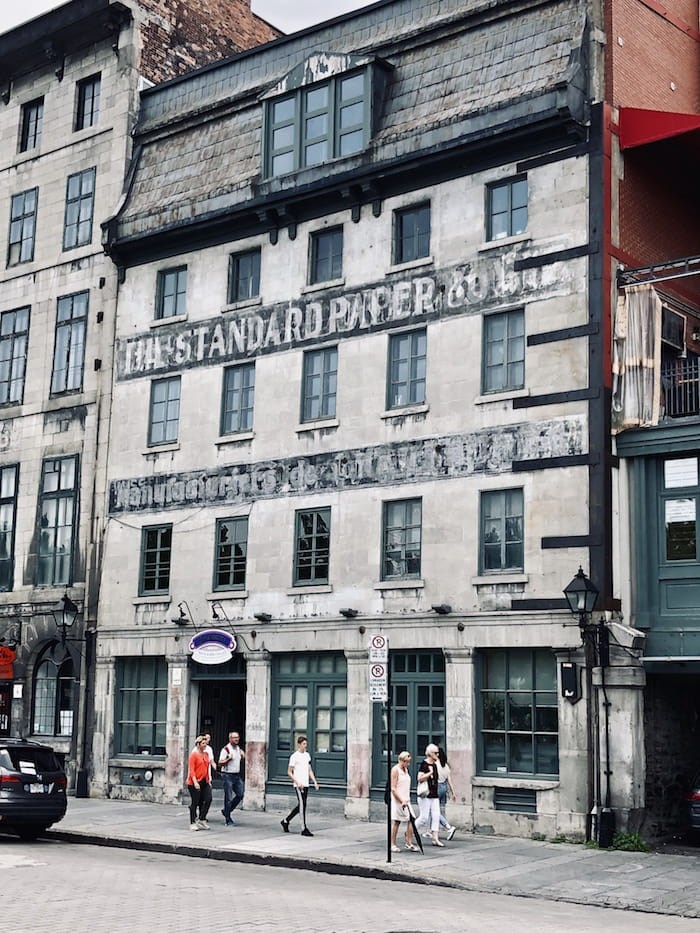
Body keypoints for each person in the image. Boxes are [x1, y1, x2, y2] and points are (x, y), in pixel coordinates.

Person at [280, 735, 319, 836]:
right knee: (302, 805)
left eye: (306, 744)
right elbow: (289, 772)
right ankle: (303, 828)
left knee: (302, 805)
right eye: (303, 744)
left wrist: (314, 781)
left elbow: (309, 769)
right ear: (299, 744)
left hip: (305, 783)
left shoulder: (307, 755)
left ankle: (285, 821)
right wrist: (297, 782)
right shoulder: (294, 756)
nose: (305, 746)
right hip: (299, 785)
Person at [414, 743, 444, 846]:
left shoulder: (435, 765)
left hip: (434, 794)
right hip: (425, 795)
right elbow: (419, 779)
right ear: (430, 754)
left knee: (436, 816)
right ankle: (410, 830)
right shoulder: (424, 764)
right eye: (436, 753)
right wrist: (429, 773)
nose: (438, 755)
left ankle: (435, 838)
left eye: (438, 753)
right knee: (424, 818)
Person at [389, 751, 417, 852]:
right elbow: (393, 788)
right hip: (398, 799)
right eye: (406, 762)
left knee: (411, 819)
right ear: (401, 760)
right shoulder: (395, 770)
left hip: (406, 799)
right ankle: (392, 844)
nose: (408, 764)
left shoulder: (405, 769)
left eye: (409, 762)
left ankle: (409, 842)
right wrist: (401, 800)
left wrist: (405, 800)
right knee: (397, 821)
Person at [218, 731, 246, 826]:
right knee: (228, 797)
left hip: (236, 775)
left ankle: (226, 810)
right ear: (230, 739)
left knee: (240, 794)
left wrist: (243, 755)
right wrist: (228, 759)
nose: (237, 739)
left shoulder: (238, 748)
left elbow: (241, 757)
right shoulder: (226, 749)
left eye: (237, 737)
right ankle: (228, 818)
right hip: (227, 775)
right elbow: (220, 763)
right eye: (234, 738)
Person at [186, 735, 212, 831]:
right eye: (203, 743)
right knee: (195, 802)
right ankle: (192, 822)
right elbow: (192, 770)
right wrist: (195, 782)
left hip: (205, 781)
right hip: (194, 782)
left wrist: (208, 780)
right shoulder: (194, 755)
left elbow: (206, 768)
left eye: (206, 743)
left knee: (208, 799)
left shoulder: (206, 755)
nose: (205, 745)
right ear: (198, 744)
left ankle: (202, 819)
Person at [436, 746, 457, 841]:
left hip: (436, 787)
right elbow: (450, 780)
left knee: (434, 811)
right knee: (438, 809)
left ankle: (448, 827)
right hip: (443, 787)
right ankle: (431, 831)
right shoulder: (445, 765)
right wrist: (453, 792)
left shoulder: (435, 764)